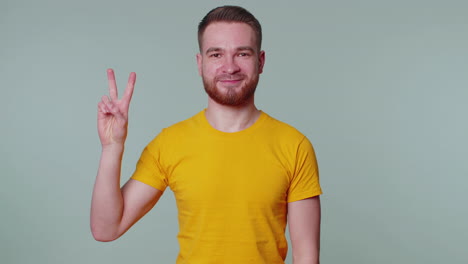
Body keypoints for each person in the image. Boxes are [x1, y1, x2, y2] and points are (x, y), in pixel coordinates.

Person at [91, 5, 322, 264]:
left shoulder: (294, 145)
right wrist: (112, 148)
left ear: (261, 61)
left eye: (242, 53)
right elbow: (106, 229)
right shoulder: (169, 143)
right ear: (200, 64)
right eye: (216, 55)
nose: (229, 67)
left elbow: (306, 255)